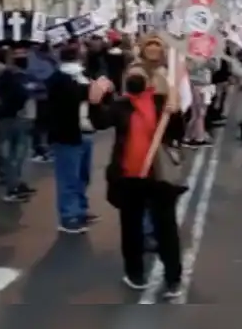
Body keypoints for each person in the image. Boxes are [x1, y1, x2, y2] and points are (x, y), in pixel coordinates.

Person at [88, 61, 185, 299]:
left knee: (166, 230)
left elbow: (177, 133)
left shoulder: (162, 102)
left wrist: (177, 112)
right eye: (131, 74)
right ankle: (135, 273)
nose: (135, 77)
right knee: (131, 230)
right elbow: (100, 122)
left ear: (148, 80)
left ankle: (173, 278)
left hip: (158, 177)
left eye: (139, 74)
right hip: (128, 178)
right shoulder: (120, 105)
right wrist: (94, 103)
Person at [45, 41, 96, 233]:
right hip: (67, 135)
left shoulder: (82, 76)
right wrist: (90, 88)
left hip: (86, 131)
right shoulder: (59, 79)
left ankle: (80, 209)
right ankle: (68, 216)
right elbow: (73, 97)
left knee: (83, 176)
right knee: (68, 178)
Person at [0, 47, 35, 203]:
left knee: (16, 155)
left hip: (9, 117)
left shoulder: (6, 75)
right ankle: (13, 187)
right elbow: (22, 95)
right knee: (15, 155)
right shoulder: (11, 75)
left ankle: (16, 183)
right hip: (14, 117)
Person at [26, 43, 57, 163]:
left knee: (45, 124)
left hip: (48, 96)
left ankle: (44, 149)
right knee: (39, 124)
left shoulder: (49, 58)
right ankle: (39, 149)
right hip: (39, 96)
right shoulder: (34, 60)